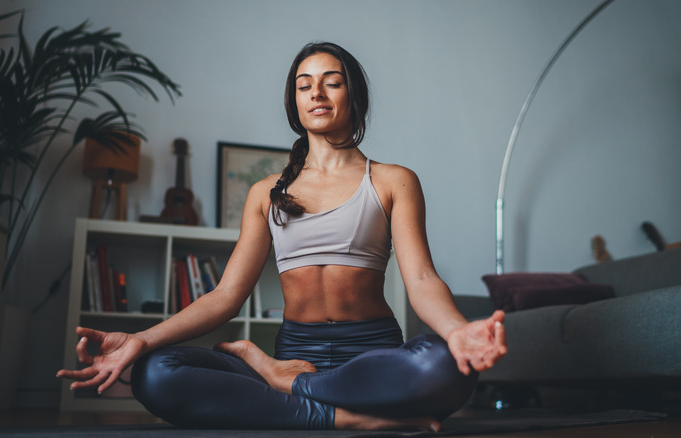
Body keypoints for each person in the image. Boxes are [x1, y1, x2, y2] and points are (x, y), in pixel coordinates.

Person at [57, 41, 507, 432]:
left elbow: (423, 280)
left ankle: (287, 386)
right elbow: (225, 296)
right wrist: (143, 340)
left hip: (371, 359)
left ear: (355, 95)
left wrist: (459, 332)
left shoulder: (393, 180)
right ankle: (342, 417)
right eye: (303, 83)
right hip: (298, 351)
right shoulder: (266, 194)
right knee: (155, 372)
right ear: (294, 101)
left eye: (332, 81)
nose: (316, 91)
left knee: (449, 366)